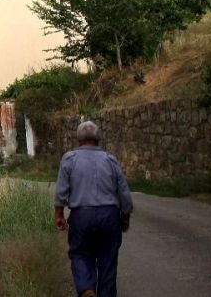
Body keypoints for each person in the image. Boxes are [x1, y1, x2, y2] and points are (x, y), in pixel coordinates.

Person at [54, 120, 133, 297]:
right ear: (98, 140)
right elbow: (124, 192)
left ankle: (86, 288)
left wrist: (59, 214)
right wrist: (125, 216)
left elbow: (61, 190)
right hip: (109, 216)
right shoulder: (110, 160)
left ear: (78, 140)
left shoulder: (70, 159)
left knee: (80, 254)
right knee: (108, 261)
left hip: (82, 216)